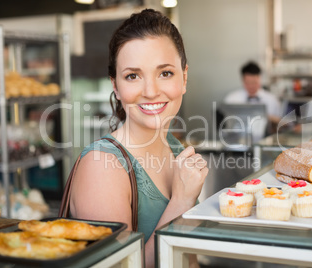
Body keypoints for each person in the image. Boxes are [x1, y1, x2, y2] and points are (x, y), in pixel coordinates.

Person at [69, 9, 208, 268]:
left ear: (184, 77)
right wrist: (181, 201)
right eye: (132, 76)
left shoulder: (176, 148)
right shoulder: (102, 165)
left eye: (165, 73)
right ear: (116, 87)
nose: (151, 91)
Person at [224, 61, 282, 126]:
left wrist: (267, 117)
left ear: (260, 79)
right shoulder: (232, 99)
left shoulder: (272, 100)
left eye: (254, 82)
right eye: (248, 83)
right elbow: (227, 124)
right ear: (242, 80)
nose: (251, 86)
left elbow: (279, 123)